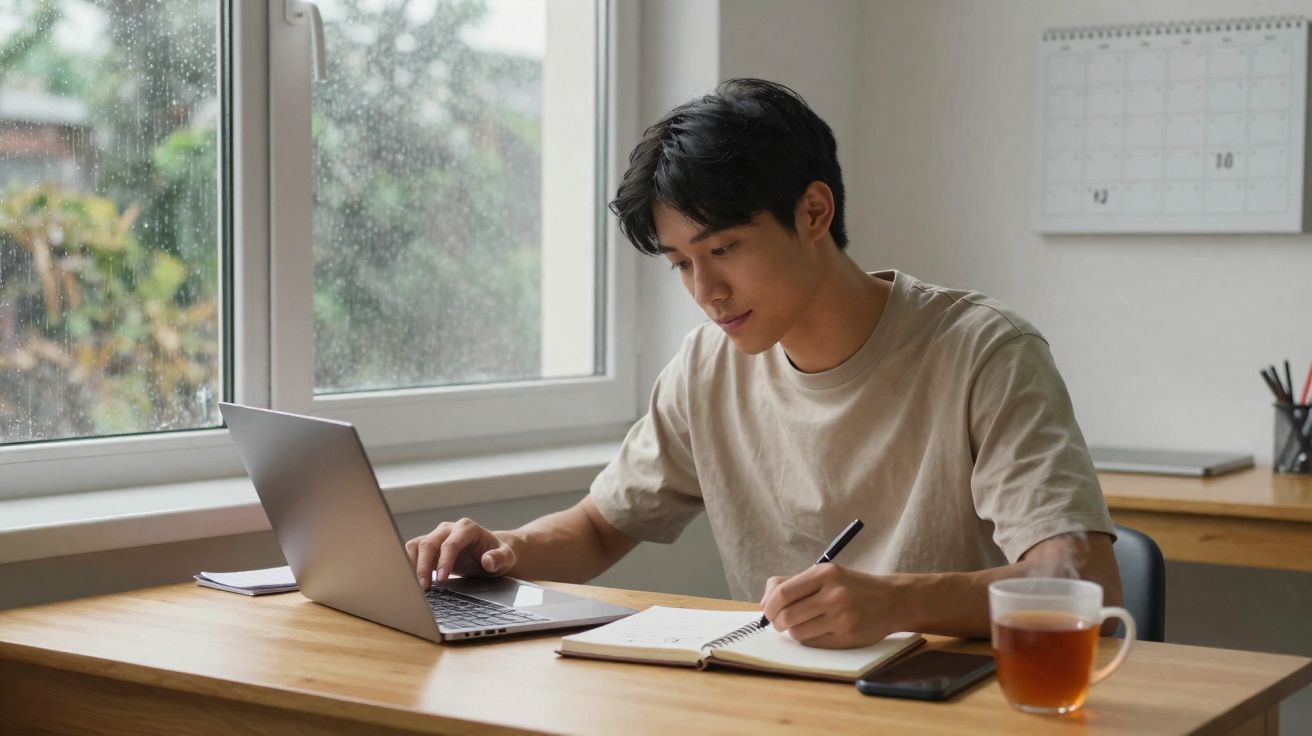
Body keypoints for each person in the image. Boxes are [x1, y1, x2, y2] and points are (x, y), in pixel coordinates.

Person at [406, 78, 1120, 649]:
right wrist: (502, 551)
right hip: (782, 704)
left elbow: (1081, 581)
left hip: (952, 702)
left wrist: (895, 602)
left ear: (814, 213)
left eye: (722, 250)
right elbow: (599, 527)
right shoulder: (707, 367)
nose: (706, 292)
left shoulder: (984, 351)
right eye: (681, 263)